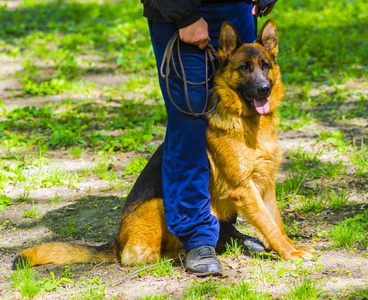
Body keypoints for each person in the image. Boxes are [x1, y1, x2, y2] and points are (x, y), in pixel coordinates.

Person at [140, 0, 276, 276]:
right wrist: (185, 15)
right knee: (190, 121)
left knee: (240, 114)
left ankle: (222, 227)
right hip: (181, 15)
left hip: (235, 8)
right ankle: (197, 236)